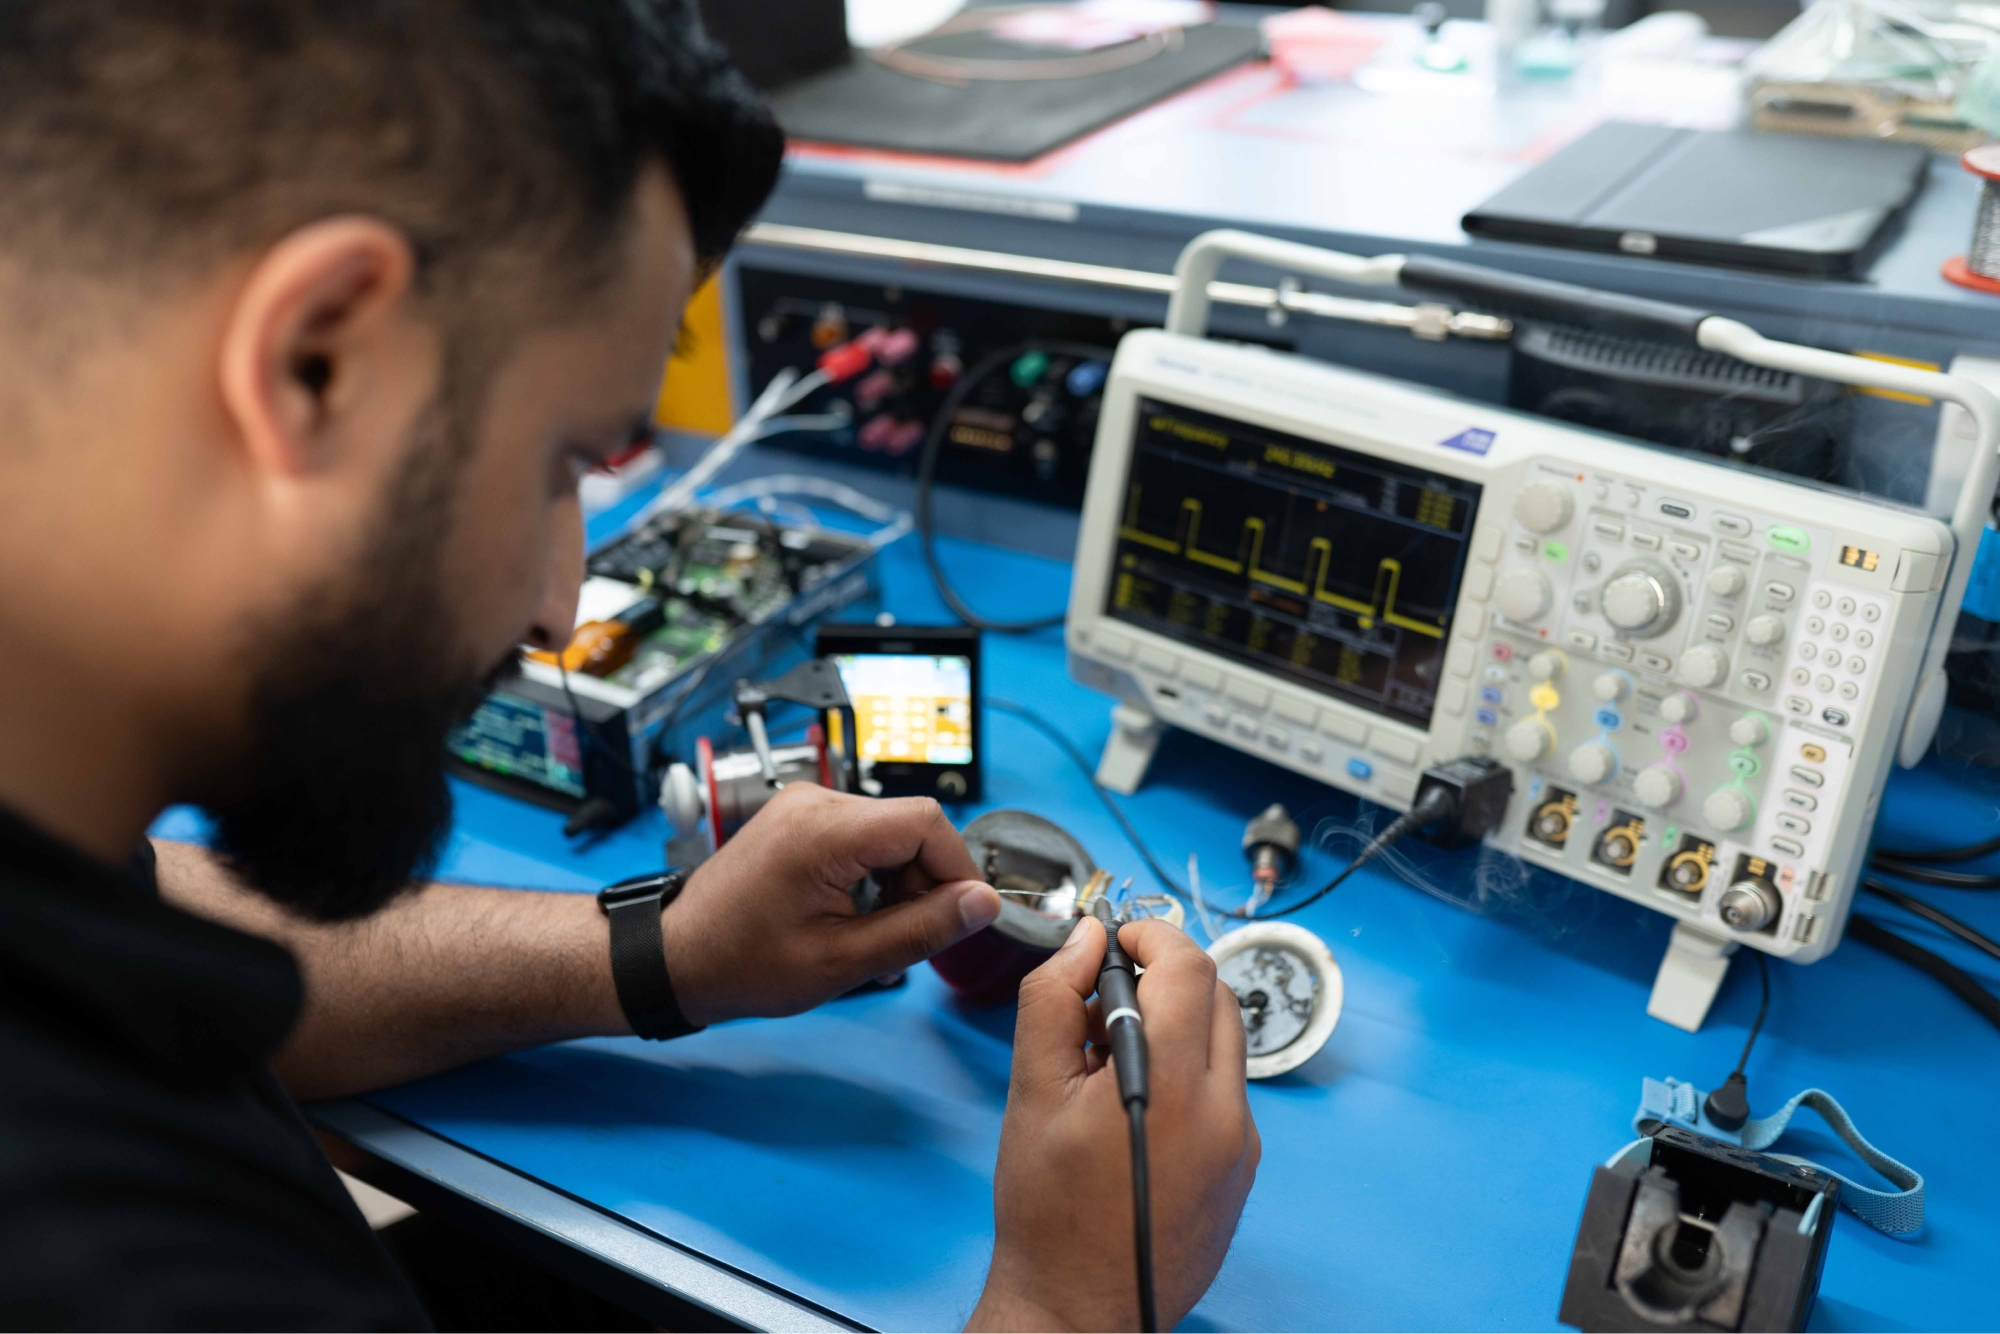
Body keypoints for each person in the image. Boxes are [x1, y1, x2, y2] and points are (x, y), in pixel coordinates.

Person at [0, 3, 1261, 1330]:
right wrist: (1070, 1301)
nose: (557, 605)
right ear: (316, 360)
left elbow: (182, 929)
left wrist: (662, 951)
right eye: (564, 462)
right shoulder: (104, 1263)